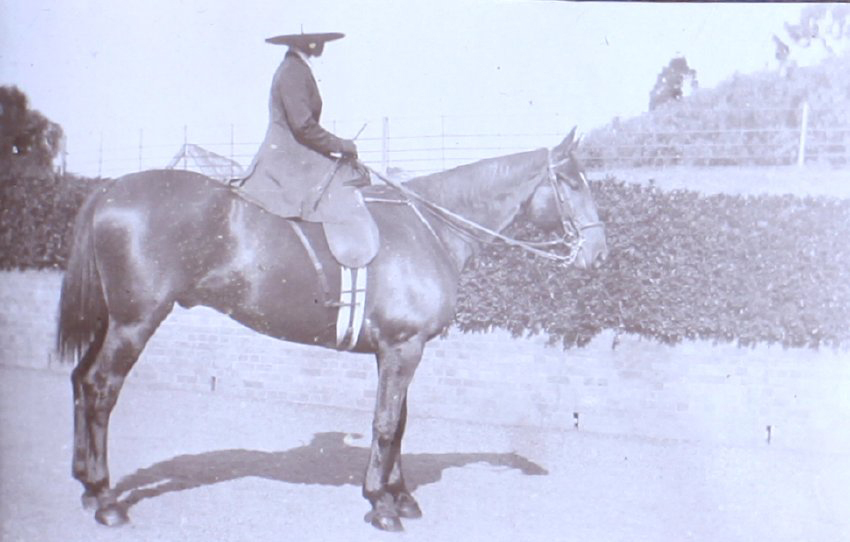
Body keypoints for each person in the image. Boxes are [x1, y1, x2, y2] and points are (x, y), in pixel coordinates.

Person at [238, 31, 379, 268]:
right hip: (289, 154)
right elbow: (303, 126)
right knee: (344, 185)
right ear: (306, 44)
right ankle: (348, 263)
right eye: (318, 41)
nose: (322, 45)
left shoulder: (296, 68)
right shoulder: (294, 71)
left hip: (295, 149)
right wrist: (341, 145)